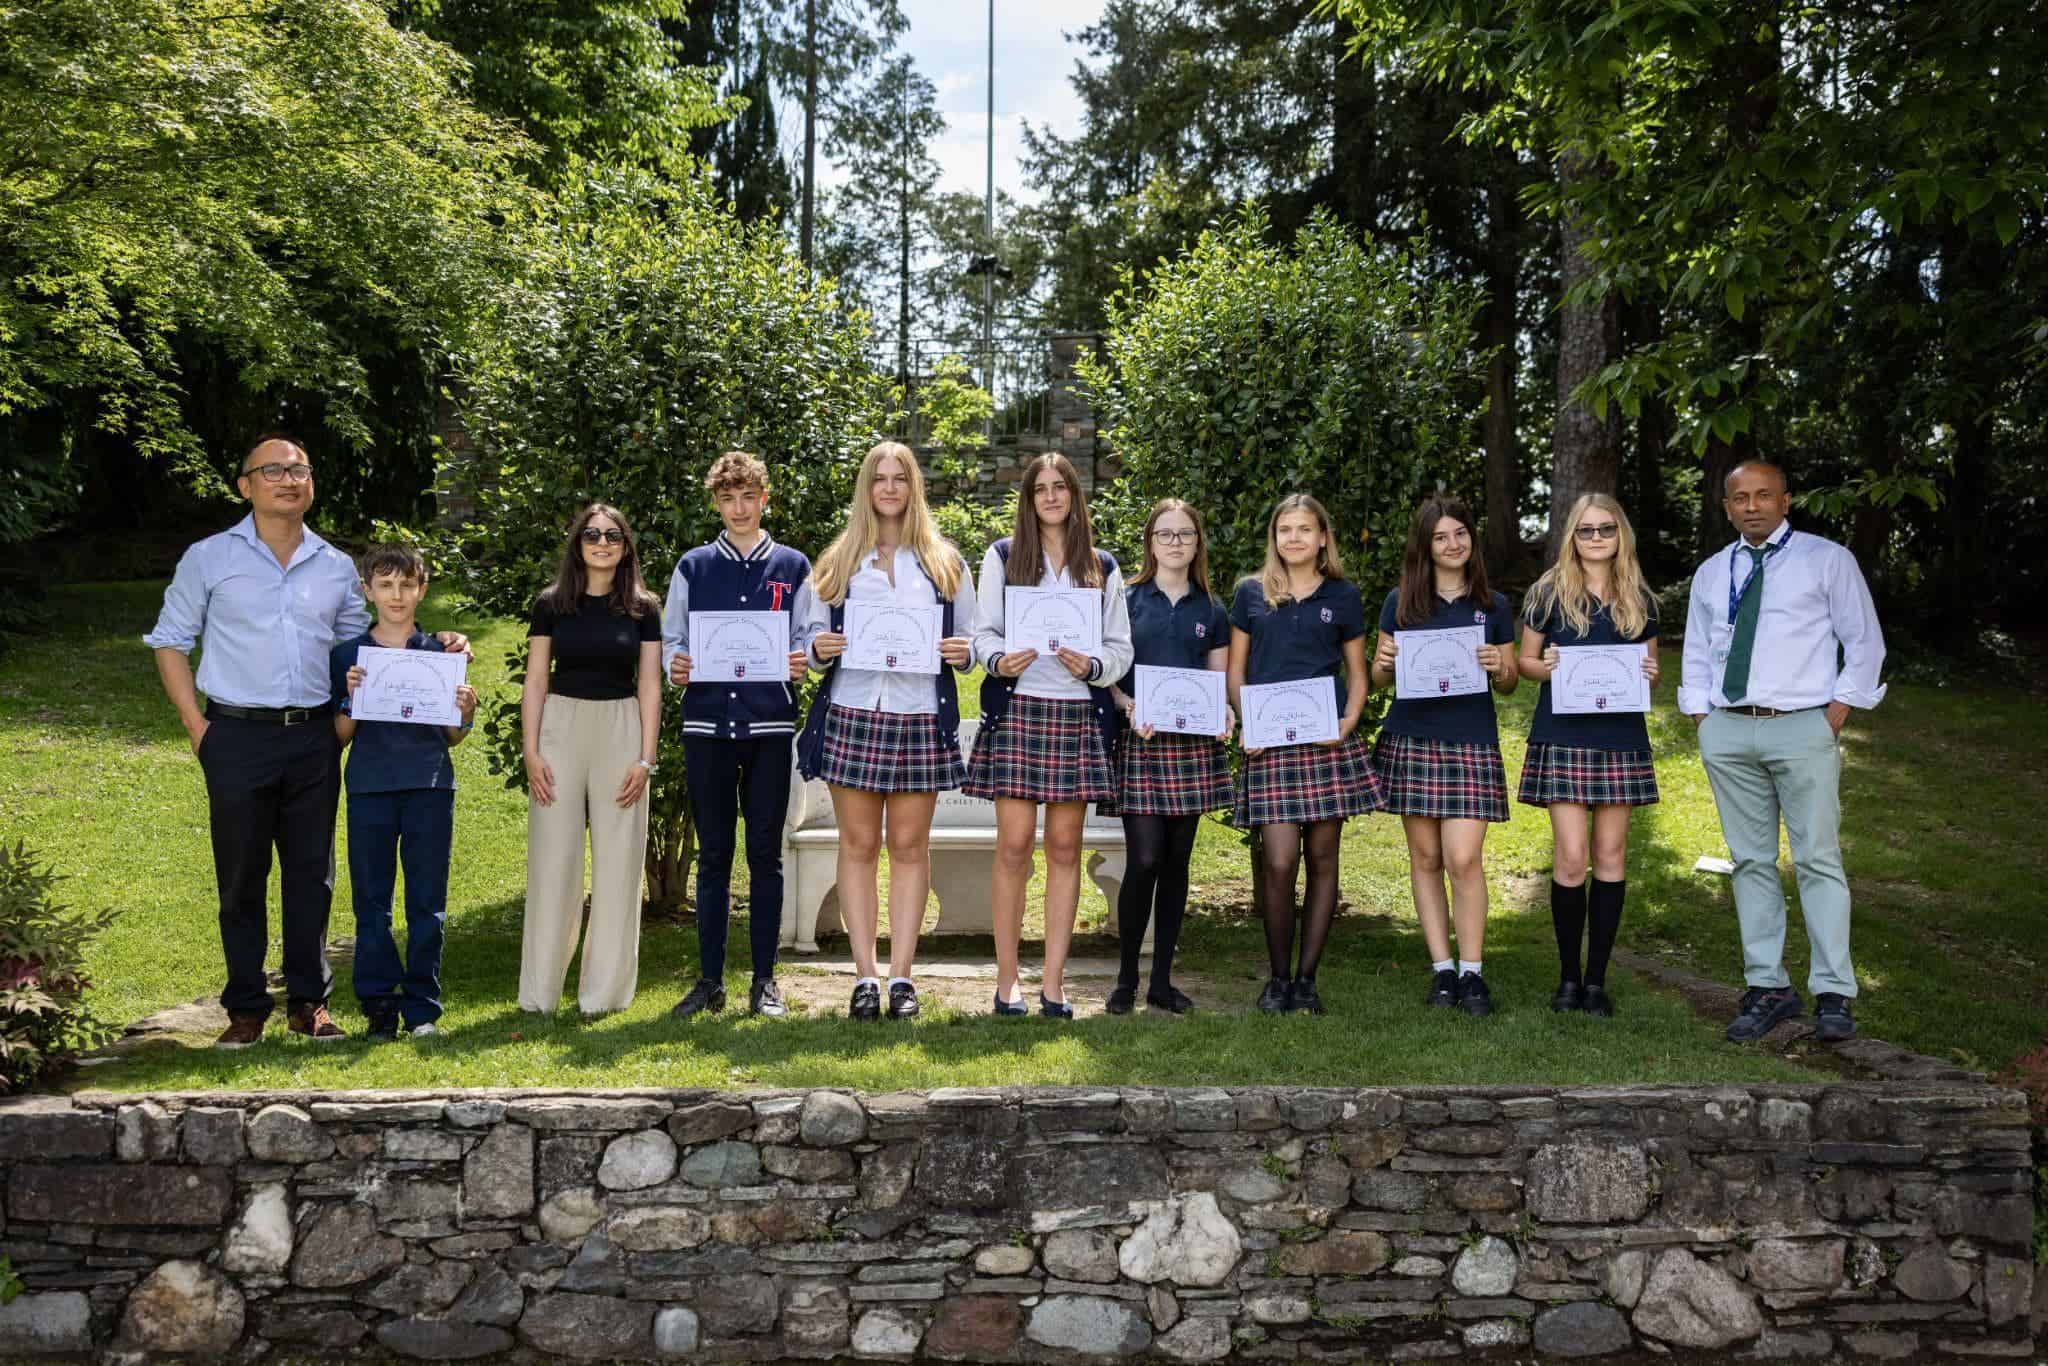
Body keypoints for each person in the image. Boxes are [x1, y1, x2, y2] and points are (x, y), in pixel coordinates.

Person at [145, 435, 467, 1049]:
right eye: (273, 471)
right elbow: (169, 641)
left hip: (315, 738)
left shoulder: (336, 567)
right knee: (240, 876)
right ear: (245, 486)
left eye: (300, 469)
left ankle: (309, 1002)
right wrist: (197, 728)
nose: (289, 479)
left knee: (311, 875)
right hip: (233, 734)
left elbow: (368, 643)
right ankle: (244, 1007)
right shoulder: (209, 558)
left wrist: (439, 645)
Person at [1680, 460, 1886, 1044]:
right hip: (1729, 730)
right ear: (1727, 507)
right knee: (1750, 862)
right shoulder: (1712, 572)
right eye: (1740, 497)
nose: (1752, 506)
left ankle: (1833, 992)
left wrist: (1838, 710)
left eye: (1764, 495)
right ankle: (1768, 985)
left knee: (1818, 858)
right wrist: (1702, 717)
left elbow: (1864, 641)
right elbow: (1697, 649)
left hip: (1802, 726)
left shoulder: (1827, 560)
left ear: (1786, 500)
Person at [794, 442, 976, 1021]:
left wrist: (961, 650)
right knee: (860, 846)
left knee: (908, 848)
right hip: (853, 710)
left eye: (901, 478)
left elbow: (973, 641)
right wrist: (819, 649)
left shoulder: (945, 563)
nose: (891, 488)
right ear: (867, 489)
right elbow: (811, 642)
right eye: (880, 479)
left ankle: (902, 977)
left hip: (920, 713)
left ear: (913, 487)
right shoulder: (840, 561)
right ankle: (864, 978)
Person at [968, 452, 1134, 1018]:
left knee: (1066, 848)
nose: (1051, 497)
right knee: (1014, 847)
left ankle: (1055, 984)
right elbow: (981, 635)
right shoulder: (1003, 556)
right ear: (1029, 498)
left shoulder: (1102, 565)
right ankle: (1007, 981)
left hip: (1077, 715)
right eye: (1040, 489)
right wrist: (998, 661)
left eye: (1060, 487)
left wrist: (1093, 668)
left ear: (1074, 495)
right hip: (1019, 712)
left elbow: (1120, 648)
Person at [662, 453, 814, 1020]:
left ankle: (765, 980)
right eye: (728, 499)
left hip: (771, 727)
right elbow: (673, 640)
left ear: (764, 498)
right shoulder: (695, 567)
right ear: (717, 504)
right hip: (707, 727)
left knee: (765, 854)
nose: (739, 508)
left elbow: (807, 637)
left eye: (748, 497)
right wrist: (675, 665)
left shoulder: (793, 567)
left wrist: (802, 662)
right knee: (714, 854)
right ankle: (709, 980)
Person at [1227, 494, 1383, 1015]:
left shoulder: (1343, 595)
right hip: (1270, 743)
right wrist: (1247, 720)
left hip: (1323, 742)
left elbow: (1358, 673)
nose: (1293, 538)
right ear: (1275, 538)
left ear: (1322, 538)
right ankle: (1276, 979)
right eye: (1284, 529)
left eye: (1303, 529)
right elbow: (1235, 673)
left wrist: (1348, 723)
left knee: (1322, 859)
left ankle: (1306, 981)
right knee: (1278, 861)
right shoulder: (1251, 593)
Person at [1369, 495, 1518, 1017]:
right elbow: (1380, 677)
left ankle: (1473, 972)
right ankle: (1442, 971)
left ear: (1471, 540)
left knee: (1463, 858)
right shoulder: (1401, 602)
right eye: (1440, 536)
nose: (1452, 544)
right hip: (1413, 737)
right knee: (1427, 859)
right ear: (1425, 546)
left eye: (1460, 534)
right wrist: (1383, 661)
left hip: (1471, 739)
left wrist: (1502, 664)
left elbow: (1509, 684)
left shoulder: (1494, 606)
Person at [1514, 495, 1661, 1018]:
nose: (1596, 538)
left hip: (1620, 738)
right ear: (1571, 537)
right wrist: (1545, 665)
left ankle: (1597, 981)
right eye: (1585, 531)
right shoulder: (1547, 593)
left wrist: (1649, 675)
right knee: (1572, 858)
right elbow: (1523, 664)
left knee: (1611, 857)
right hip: (1563, 735)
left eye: (1605, 530)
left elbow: (1650, 667)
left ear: (1621, 535)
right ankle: (1568, 979)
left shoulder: (1639, 596)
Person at [518, 503, 664, 1016]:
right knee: (553, 862)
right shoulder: (551, 605)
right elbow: (535, 680)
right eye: (592, 535)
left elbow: (650, 684)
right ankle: (539, 995)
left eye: (613, 536)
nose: (602, 543)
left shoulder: (644, 609)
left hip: (621, 729)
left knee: (619, 864)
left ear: (626, 548)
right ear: (577, 544)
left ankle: (603, 995)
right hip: (559, 728)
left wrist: (646, 758)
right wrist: (531, 750)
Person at [331, 544, 479, 1041]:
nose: (397, 595)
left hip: (430, 786)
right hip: (371, 787)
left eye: (407, 585)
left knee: (427, 905)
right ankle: (378, 1005)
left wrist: (465, 709)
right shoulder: (347, 656)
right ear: (368, 590)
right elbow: (339, 735)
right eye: (386, 585)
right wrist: (352, 696)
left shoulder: (442, 653)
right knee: (371, 903)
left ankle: (423, 1010)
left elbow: (454, 735)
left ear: (422, 589)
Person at [1104, 500, 1235, 1015]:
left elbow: (1218, 680)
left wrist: (1224, 711)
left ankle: (1161, 982)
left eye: (1185, 534)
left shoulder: (1212, 609)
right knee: (1144, 860)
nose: (1176, 542)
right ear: (1150, 542)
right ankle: (1124, 979)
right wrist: (1125, 704)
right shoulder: (1128, 599)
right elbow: (1110, 671)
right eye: (1166, 534)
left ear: (1197, 542)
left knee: (1177, 863)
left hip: (1193, 747)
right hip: (1144, 740)